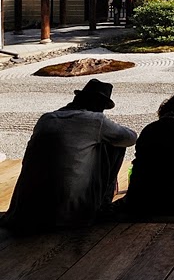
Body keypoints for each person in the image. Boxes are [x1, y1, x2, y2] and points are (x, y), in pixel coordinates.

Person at [1, 79, 137, 232]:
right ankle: (103, 205)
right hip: (69, 217)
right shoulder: (95, 120)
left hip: (23, 213)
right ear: (99, 104)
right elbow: (131, 137)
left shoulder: (46, 119)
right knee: (115, 146)